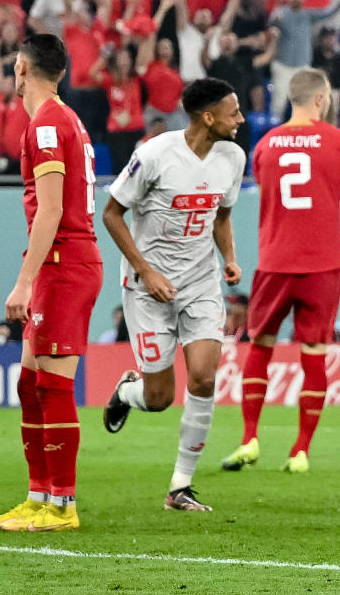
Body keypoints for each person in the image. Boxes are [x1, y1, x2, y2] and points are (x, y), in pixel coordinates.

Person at [221, 68, 340, 474]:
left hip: (274, 263)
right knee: (313, 354)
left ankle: (249, 439)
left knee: (260, 348)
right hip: (322, 266)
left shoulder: (265, 146)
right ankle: (300, 451)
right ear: (322, 98)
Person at [102, 78, 247, 511]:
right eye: (233, 112)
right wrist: (146, 272)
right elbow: (111, 214)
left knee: (203, 378)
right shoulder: (153, 155)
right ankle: (128, 392)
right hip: (149, 290)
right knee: (159, 398)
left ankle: (179, 487)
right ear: (208, 118)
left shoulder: (233, 158)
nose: (240, 120)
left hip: (201, 284)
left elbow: (221, 216)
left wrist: (230, 259)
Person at [0, 34, 103, 533]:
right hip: (59, 262)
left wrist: (23, 282)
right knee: (29, 383)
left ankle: (63, 505)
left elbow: (52, 209)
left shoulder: (49, 124)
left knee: (52, 384)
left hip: (64, 264)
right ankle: (37, 497)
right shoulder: (57, 119)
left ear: (22, 68)